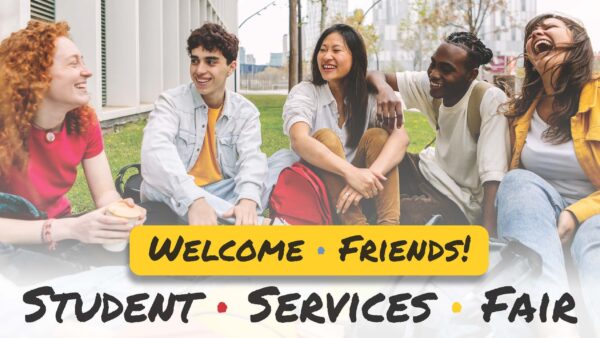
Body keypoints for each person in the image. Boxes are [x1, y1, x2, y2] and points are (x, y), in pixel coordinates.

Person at [0, 21, 145, 278]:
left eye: (83, 62)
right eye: (73, 63)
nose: (87, 72)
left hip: (64, 229)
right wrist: (67, 229)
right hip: (12, 238)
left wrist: (121, 213)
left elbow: (105, 194)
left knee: (144, 252)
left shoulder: (84, 121)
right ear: (36, 76)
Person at [496, 14, 599, 334]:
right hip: (542, 207)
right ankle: (552, 324)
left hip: (594, 208)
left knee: (592, 237)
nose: (537, 32)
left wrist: (574, 214)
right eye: (531, 33)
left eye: (550, 27)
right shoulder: (521, 112)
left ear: (577, 41)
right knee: (516, 181)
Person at [367, 32, 509, 231]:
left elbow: (493, 176)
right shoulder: (433, 85)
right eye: (433, 64)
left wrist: (487, 237)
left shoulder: (488, 99)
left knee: (400, 216)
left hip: (459, 199)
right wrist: (385, 89)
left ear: (472, 75)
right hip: (428, 170)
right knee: (377, 147)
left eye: (446, 69)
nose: (434, 73)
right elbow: (373, 74)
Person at [141, 23, 272, 225]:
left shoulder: (245, 112)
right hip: (176, 192)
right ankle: (260, 226)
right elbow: (155, 152)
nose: (199, 70)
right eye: (195, 61)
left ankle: (226, 215)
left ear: (231, 67)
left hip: (221, 190)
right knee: (157, 181)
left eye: (210, 62)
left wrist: (247, 199)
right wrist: (194, 199)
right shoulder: (170, 102)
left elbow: (251, 158)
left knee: (283, 160)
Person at [282, 24, 409, 225]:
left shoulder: (369, 95)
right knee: (325, 137)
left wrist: (366, 176)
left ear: (355, 57)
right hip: (319, 189)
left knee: (379, 136)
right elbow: (299, 140)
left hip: (362, 191)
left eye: (336, 50)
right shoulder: (305, 92)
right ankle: (357, 228)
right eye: (322, 50)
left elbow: (401, 137)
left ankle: (389, 228)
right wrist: (350, 173)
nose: (326, 56)